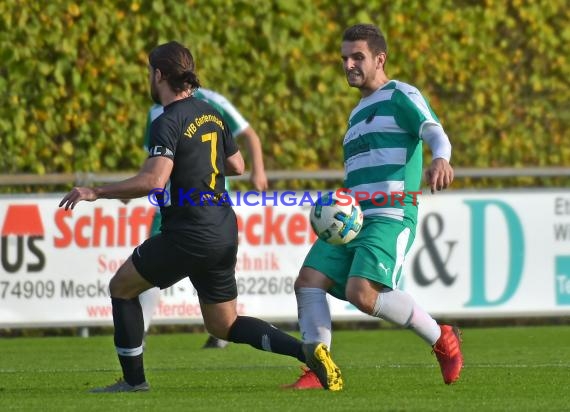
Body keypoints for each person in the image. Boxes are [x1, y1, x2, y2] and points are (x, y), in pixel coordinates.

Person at [59, 41, 341, 392]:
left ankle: (133, 382)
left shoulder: (167, 120)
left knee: (122, 287)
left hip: (188, 232)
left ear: (159, 74)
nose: (149, 78)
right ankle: (306, 350)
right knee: (224, 324)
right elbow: (237, 165)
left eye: (150, 72)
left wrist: (95, 192)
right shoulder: (210, 112)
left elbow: (153, 180)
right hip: (223, 230)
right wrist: (195, 159)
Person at [284, 24, 463, 389]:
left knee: (361, 293)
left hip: (391, 214)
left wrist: (441, 158)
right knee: (308, 283)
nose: (349, 64)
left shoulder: (401, 94)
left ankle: (442, 338)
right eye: (344, 58)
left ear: (380, 59)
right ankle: (320, 370)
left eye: (357, 57)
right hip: (353, 217)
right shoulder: (356, 113)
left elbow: (433, 131)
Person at [138, 89, 269, 349]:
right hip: (169, 204)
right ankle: (139, 329)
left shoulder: (213, 103)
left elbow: (248, 134)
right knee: (146, 267)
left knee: (146, 270)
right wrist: (137, 183)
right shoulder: (156, 110)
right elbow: (154, 160)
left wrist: (259, 171)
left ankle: (220, 333)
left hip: (206, 204)